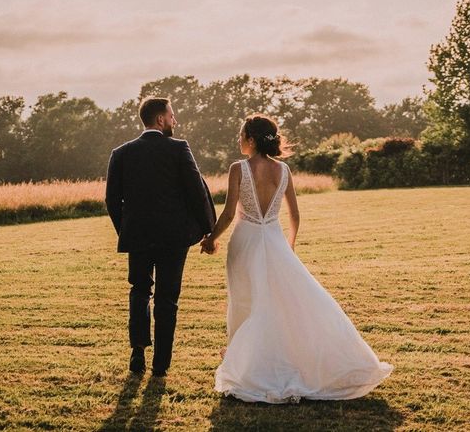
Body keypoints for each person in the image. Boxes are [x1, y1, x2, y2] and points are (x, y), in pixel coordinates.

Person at [200, 113, 393, 403]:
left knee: (243, 299)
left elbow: (228, 213)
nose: (238, 140)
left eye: (241, 135)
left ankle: (243, 362)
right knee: (277, 302)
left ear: (251, 140)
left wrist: (211, 238)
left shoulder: (238, 168)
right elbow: (295, 215)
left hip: (245, 241)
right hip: (274, 239)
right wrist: (287, 247)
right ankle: (250, 357)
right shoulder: (284, 170)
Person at [105, 97, 217, 377]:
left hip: (138, 237)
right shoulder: (179, 149)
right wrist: (209, 230)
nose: (174, 121)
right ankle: (161, 365)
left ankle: (138, 350)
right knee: (168, 298)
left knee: (139, 291)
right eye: (172, 116)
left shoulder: (121, 153)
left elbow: (111, 200)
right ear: (160, 120)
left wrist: (127, 231)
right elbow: (197, 191)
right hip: (174, 238)